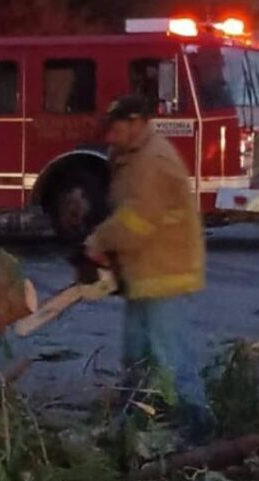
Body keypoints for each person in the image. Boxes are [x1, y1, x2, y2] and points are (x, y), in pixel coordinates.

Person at [83, 94, 214, 442]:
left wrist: (100, 241)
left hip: (165, 274)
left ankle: (197, 426)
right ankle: (131, 423)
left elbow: (137, 220)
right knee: (137, 354)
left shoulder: (152, 161)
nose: (109, 137)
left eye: (116, 129)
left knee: (170, 354)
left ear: (138, 122)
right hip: (145, 274)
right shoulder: (131, 157)